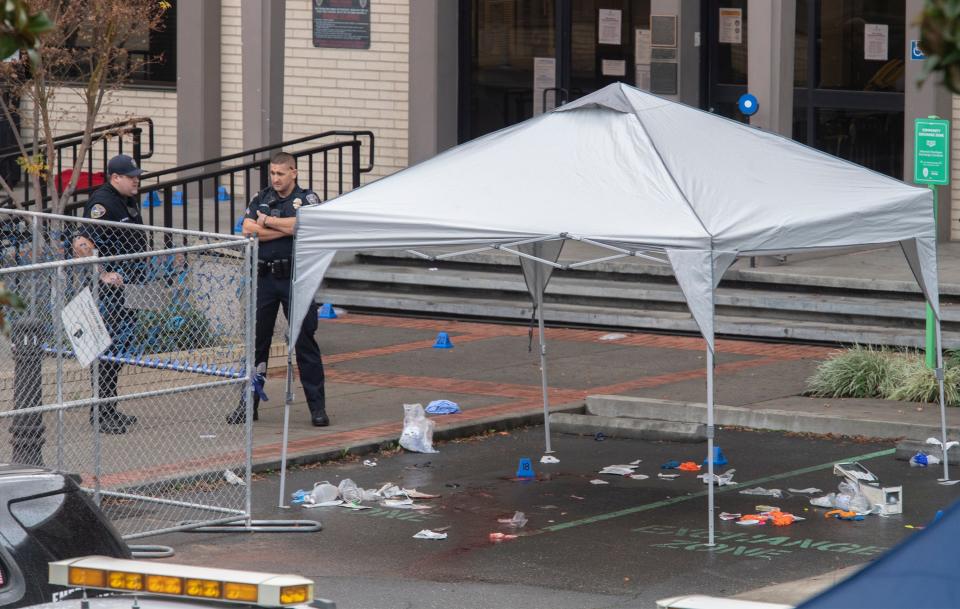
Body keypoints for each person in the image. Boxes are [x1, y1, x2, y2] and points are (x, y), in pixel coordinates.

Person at [226, 152, 328, 426]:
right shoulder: (262, 198)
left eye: (280, 173)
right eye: (272, 173)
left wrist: (268, 222)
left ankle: (317, 408)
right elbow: (247, 230)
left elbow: (304, 225)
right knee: (257, 344)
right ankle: (248, 405)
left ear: (293, 172)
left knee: (304, 342)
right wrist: (285, 227)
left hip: (296, 278)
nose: (275, 179)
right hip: (265, 279)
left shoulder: (307, 199)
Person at [71, 154, 147, 434]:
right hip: (111, 292)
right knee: (108, 348)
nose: (136, 179)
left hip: (132, 286)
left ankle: (110, 407)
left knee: (121, 348)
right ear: (115, 178)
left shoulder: (127, 198)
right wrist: (102, 273)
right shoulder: (102, 203)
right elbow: (81, 243)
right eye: (130, 176)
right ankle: (100, 413)